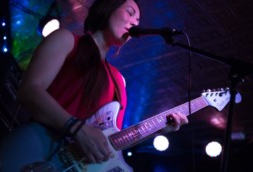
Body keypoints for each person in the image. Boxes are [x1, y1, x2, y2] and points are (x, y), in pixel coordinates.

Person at [18, 0, 188, 166]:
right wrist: (77, 128)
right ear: (108, 7)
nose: (134, 23)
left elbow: (110, 142)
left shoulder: (119, 81)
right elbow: (30, 90)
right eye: (130, 13)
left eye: (137, 21)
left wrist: (157, 130)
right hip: (37, 153)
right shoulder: (67, 40)